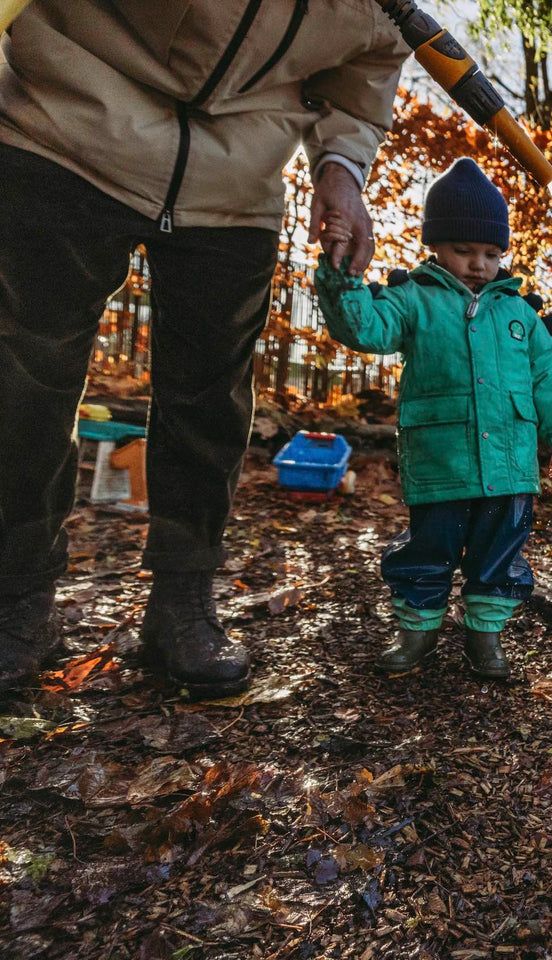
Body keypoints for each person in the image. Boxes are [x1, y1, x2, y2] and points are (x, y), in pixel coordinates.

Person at [0, 2, 410, 699]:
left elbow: (361, 81)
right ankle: (17, 597)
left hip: (236, 183)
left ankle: (182, 602)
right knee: (25, 379)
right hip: (64, 130)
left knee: (210, 398)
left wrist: (341, 167)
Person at [315, 159, 552, 681]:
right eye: (463, 250)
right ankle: (417, 631)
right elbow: (363, 328)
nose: (478, 263)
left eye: (490, 252)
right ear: (435, 244)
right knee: (428, 549)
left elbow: (548, 376)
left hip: (509, 464)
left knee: (499, 554)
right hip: (441, 461)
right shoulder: (415, 299)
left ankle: (486, 638)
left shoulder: (520, 314)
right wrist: (342, 276)